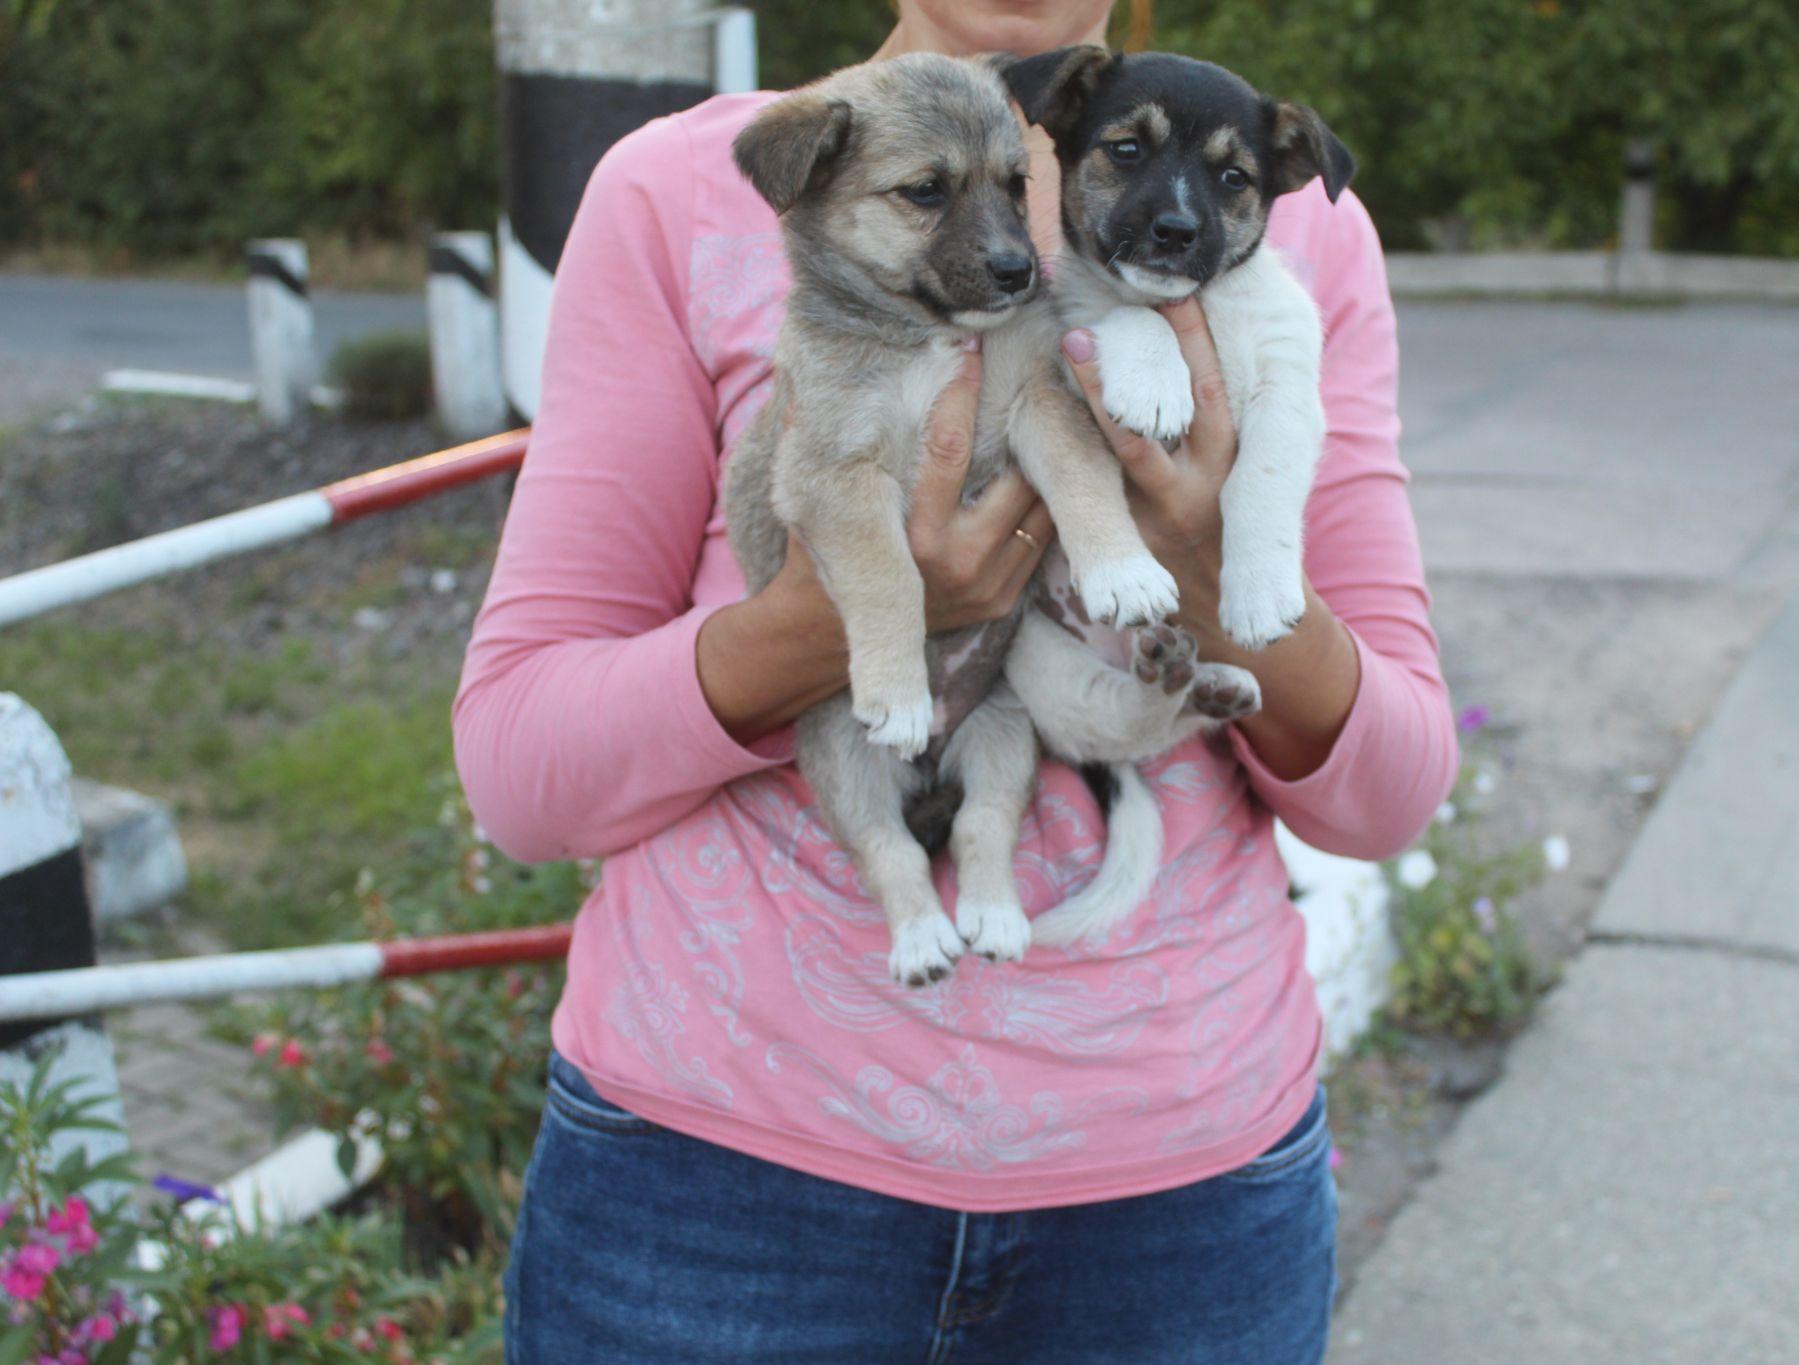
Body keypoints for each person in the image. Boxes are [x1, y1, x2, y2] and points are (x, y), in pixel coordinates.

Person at [455, 0, 1458, 1358]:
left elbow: (1391, 791)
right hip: (718, 1187)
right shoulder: (686, 188)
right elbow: (520, 769)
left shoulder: (1272, 218)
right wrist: (843, 625)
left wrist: (1202, 565)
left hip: (1174, 1199)